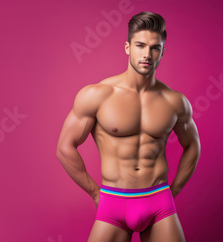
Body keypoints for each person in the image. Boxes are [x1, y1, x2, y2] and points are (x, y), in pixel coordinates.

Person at [56, 11, 200, 242]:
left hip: (159, 202)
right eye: (140, 45)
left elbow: (193, 146)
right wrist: (94, 192)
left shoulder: (175, 101)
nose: (147, 54)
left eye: (155, 48)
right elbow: (65, 147)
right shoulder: (97, 95)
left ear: (163, 51)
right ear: (127, 47)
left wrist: (172, 192)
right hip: (114, 201)